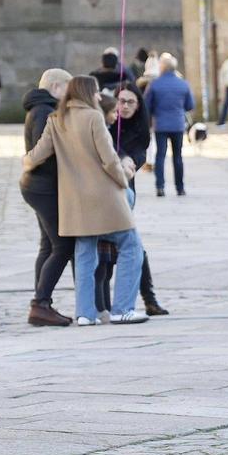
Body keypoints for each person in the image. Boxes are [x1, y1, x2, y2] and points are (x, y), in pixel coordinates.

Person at [22, 76, 148, 326]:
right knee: (131, 246)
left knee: (85, 252)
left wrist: (25, 165)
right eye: (96, 93)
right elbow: (109, 158)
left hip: (74, 201)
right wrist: (123, 178)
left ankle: (85, 314)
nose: (99, 97)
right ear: (87, 93)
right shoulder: (93, 117)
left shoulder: (55, 119)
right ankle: (122, 308)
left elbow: (35, 155)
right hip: (103, 196)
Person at [93, 85, 171, 317]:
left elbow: (137, 157)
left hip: (124, 193)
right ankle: (102, 305)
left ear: (139, 106)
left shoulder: (140, 131)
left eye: (130, 102)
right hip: (99, 193)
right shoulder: (102, 123)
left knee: (133, 246)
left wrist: (128, 160)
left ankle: (149, 298)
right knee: (105, 251)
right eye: (121, 101)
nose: (124, 106)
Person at [19, 68, 76, 327]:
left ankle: (42, 303)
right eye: (67, 89)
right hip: (43, 186)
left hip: (36, 185)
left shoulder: (38, 107)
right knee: (63, 245)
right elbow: (44, 148)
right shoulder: (44, 110)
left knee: (47, 244)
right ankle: (41, 303)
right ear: (55, 86)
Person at [144, 53, 195, 197]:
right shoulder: (183, 84)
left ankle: (160, 187)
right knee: (178, 157)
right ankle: (180, 187)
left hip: (160, 124)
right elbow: (190, 105)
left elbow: (147, 105)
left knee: (160, 155)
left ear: (162, 68)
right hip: (178, 124)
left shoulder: (155, 84)